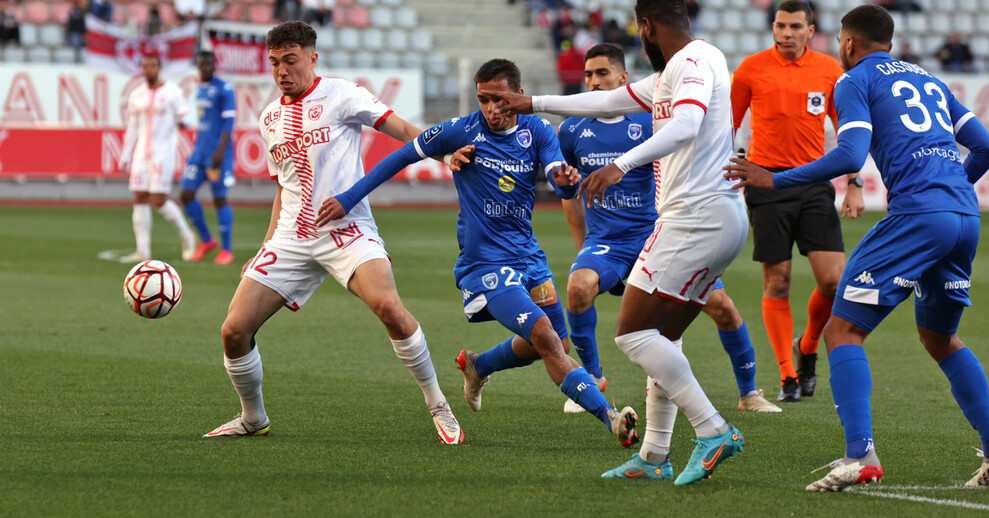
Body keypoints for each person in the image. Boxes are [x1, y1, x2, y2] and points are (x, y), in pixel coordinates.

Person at [725, 4, 989, 490]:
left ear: (849, 44)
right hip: (965, 216)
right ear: (890, 42)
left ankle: (861, 456)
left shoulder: (853, 80)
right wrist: (951, 192)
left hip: (918, 216)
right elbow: (988, 148)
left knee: (842, 331)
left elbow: (851, 154)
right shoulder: (930, 81)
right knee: (941, 338)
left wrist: (775, 179)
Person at [321, 58, 640, 450]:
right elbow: (403, 155)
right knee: (545, 335)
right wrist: (349, 197)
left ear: (519, 97)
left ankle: (479, 365)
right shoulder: (461, 129)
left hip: (529, 257)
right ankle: (609, 417)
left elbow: (560, 178)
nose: (491, 109)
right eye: (483, 99)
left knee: (555, 340)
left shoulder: (537, 129)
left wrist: (565, 180)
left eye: (499, 99)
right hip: (485, 264)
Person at [490, 0, 747, 484]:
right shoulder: (677, 69)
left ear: (646, 26)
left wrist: (620, 163)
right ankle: (654, 456)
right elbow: (609, 101)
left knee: (632, 332)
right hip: (714, 218)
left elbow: (687, 125)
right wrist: (536, 103)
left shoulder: (695, 60)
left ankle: (712, 429)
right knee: (663, 337)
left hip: (694, 217)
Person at [203, 21, 464, 445]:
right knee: (233, 330)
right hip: (290, 237)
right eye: (274, 63)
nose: (281, 71)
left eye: (290, 60)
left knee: (389, 308)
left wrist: (445, 150)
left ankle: (438, 404)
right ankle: (254, 418)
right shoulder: (268, 117)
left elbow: (401, 129)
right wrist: (265, 246)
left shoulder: (343, 94)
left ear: (311, 58)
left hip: (347, 228)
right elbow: (282, 187)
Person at [556, 42, 779, 415]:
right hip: (607, 240)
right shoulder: (571, 130)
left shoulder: (649, 121)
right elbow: (570, 192)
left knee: (721, 306)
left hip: (655, 232)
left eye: (602, 73)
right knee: (578, 287)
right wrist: (584, 246)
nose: (594, 81)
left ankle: (749, 393)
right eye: (589, 74)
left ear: (623, 77)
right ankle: (592, 380)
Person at [731, 0, 864, 402]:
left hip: (814, 181)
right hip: (766, 183)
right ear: (773, 27)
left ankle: (805, 347)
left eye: (795, 27)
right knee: (778, 279)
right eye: (780, 26)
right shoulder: (750, 69)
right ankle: (788, 376)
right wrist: (732, 168)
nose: (786, 33)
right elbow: (727, 126)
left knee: (832, 280)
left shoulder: (829, 71)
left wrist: (854, 182)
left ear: (811, 30)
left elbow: (849, 130)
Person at [119, 54, 197, 264]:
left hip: (163, 153)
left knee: (158, 200)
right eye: (144, 66)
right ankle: (143, 250)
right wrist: (126, 154)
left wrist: (183, 122)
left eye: (152, 66)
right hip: (141, 154)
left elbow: (186, 117)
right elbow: (132, 127)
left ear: (159, 67)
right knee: (139, 198)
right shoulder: (137, 94)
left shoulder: (172, 92)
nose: (148, 70)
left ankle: (187, 235)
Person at [181, 51, 237, 265]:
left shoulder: (224, 89)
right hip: (199, 152)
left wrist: (221, 151)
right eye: (201, 64)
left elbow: (228, 123)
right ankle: (206, 240)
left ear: (215, 65)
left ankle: (226, 249)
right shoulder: (201, 89)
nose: (204, 68)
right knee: (186, 194)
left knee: (219, 198)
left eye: (208, 64)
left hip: (217, 153)